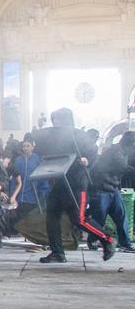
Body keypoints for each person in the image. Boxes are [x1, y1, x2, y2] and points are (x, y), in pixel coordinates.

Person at [32, 107, 114, 263]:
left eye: (57, 120)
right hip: (60, 182)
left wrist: (87, 161)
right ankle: (57, 253)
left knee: (79, 218)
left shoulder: (79, 136)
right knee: (52, 215)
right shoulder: (53, 138)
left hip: (77, 183)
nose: (55, 124)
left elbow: (93, 154)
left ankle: (107, 239)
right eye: (53, 120)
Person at [87, 132, 135, 253]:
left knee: (121, 216)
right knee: (99, 218)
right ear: (130, 143)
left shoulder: (122, 151)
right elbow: (122, 166)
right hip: (101, 188)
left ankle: (125, 243)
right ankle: (92, 240)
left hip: (113, 188)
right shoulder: (116, 151)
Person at [9, 136, 43, 223]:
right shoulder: (18, 160)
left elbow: (42, 177)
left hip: (33, 195)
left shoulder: (37, 159)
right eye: (24, 146)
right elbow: (14, 178)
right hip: (20, 196)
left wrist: (42, 194)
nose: (26, 148)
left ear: (32, 147)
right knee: (21, 219)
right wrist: (13, 194)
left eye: (28, 146)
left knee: (32, 219)